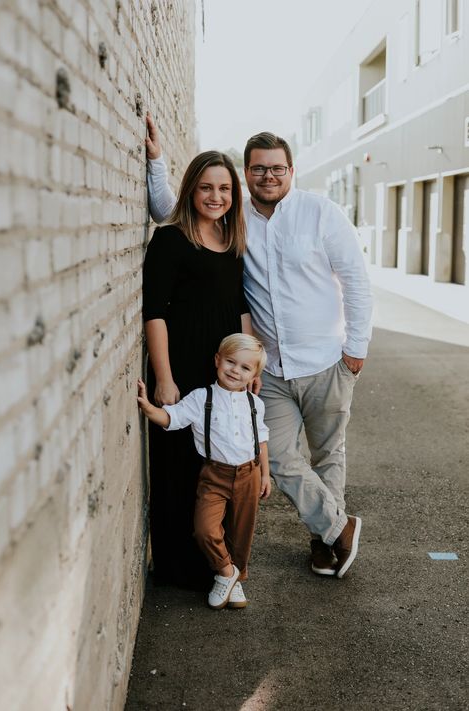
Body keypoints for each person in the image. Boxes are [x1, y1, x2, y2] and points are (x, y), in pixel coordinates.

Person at [146, 115, 373, 579]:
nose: (268, 176)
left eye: (277, 168)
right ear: (247, 173)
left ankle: (325, 541)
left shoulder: (321, 213)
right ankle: (338, 527)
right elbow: (177, 208)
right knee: (282, 460)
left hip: (327, 361)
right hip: (268, 370)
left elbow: (355, 280)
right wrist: (156, 163)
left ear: (291, 170)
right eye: (258, 169)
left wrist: (356, 348)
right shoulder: (235, 216)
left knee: (329, 456)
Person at [143, 138, 252, 590]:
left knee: (217, 464)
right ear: (190, 190)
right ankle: (177, 567)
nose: (216, 197)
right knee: (179, 466)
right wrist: (164, 377)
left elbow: (239, 306)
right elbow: (155, 312)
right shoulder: (170, 239)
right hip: (182, 367)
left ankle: (215, 562)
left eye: (225, 189)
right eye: (206, 187)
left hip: (223, 369)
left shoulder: (232, 241)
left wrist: (249, 365)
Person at [137, 333, 270, 609]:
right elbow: (172, 418)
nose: (236, 370)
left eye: (245, 368)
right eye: (231, 362)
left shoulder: (255, 404)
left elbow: (261, 439)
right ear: (217, 360)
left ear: (254, 375)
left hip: (250, 473)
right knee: (205, 529)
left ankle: (237, 579)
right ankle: (225, 571)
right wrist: (149, 408)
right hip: (215, 476)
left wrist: (266, 474)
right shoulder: (202, 398)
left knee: (241, 532)